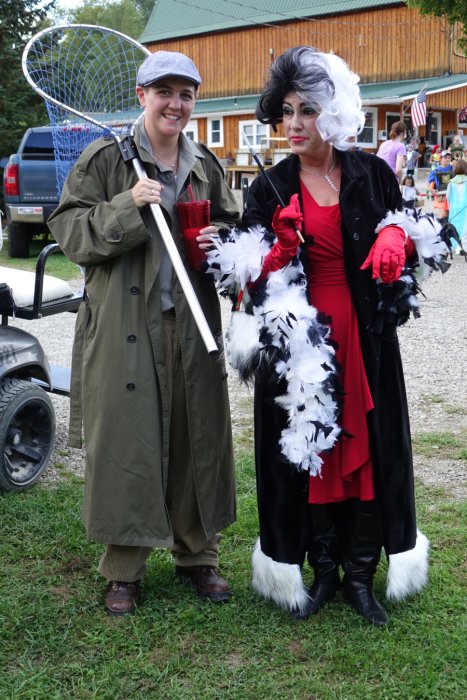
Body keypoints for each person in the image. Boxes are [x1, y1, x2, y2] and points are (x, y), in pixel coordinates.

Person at [202, 46, 446, 626]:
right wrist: (276, 254)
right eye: (285, 110)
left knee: (367, 449)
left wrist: (398, 239)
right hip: (300, 349)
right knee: (308, 452)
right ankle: (324, 572)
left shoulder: (372, 172)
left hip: (363, 337)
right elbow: (239, 274)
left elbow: (425, 228)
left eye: (307, 110)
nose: (293, 123)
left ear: (332, 114)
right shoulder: (270, 187)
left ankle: (362, 577)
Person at [48, 51, 241, 616]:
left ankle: (198, 556)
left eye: (186, 94)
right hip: (126, 327)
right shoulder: (107, 159)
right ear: (142, 95)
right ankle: (124, 570)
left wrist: (221, 243)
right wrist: (127, 207)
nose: (175, 104)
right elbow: (71, 234)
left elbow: (231, 223)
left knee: (195, 436)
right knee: (128, 443)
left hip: (191, 322)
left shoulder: (204, 163)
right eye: (165, 92)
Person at [446, 158, 467, 253]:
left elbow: (448, 196)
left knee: (455, 228)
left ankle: (456, 248)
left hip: (454, 208)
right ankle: (464, 247)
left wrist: (451, 205)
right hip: (465, 207)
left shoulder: (451, 182)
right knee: (465, 228)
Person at [428, 149, 454, 222]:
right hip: (441, 196)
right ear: (441, 158)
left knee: (451, 216)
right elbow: (428, 182)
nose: (448, 159)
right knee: (443, 216)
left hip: (452, 195)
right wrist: (431, 190)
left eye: (449, 158)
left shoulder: (453, 168)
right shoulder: (435, 170)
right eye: (446, 157)